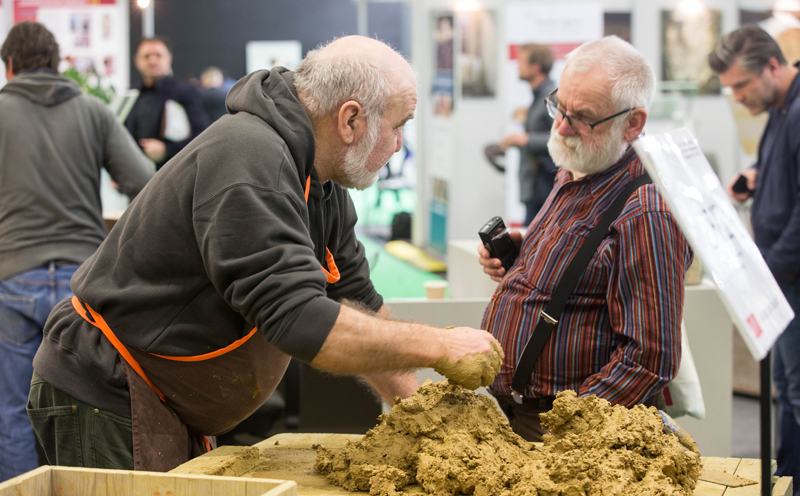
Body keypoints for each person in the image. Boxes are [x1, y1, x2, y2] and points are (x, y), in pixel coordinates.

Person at [28, 35, 502, 472]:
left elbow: (356, 300)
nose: (399, 145)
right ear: (351, 119)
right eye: (397, 127)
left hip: (167, 402)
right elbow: (298, 318)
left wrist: (424, 422)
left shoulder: (322, 180)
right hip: (107, 393)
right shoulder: (252, 160)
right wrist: (442, 345)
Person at [478, 36, 692, 442]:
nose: (560, 127)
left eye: (582, 118)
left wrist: (570, 430)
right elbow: (587, 265)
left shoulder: (648, 211)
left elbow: (649, 359)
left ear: (633, 123)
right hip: (519, 418)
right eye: (559, 107)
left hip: (565, 435)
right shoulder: (578, 167)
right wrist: (527, 256)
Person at [0, 21, 155, 482]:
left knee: (10, 410)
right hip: (81, 286)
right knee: (83, 407)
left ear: (9, 66)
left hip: (13, 277)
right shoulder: (93, 111)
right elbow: (146, 183)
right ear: (56, 63)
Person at [709, 25, 800, 496]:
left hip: (789, 277)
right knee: (787, 389)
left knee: (798, 394)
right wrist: (757, 176)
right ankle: (788, 481)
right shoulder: (782, 110)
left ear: (771, 66)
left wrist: (769, 270)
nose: (739, 98)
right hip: (783, 279)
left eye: (742, 87)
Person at [124, 36, 208, 169]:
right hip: (136, 174)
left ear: (169, 58)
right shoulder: (130, 94)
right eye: (146, 56)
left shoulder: (184, 91)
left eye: (158, 55)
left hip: (172, 173)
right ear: (137, 61)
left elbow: (202, 134)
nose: (152, 61)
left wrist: (167, 149)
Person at [499, 44, 558, 224]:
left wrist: (524, 140)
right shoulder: (539, 97)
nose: (517, 66)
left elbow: (563, 139)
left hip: (545, 187)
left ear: (536, 66)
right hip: (536, 187)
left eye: (522, 61)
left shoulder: (552, 97)